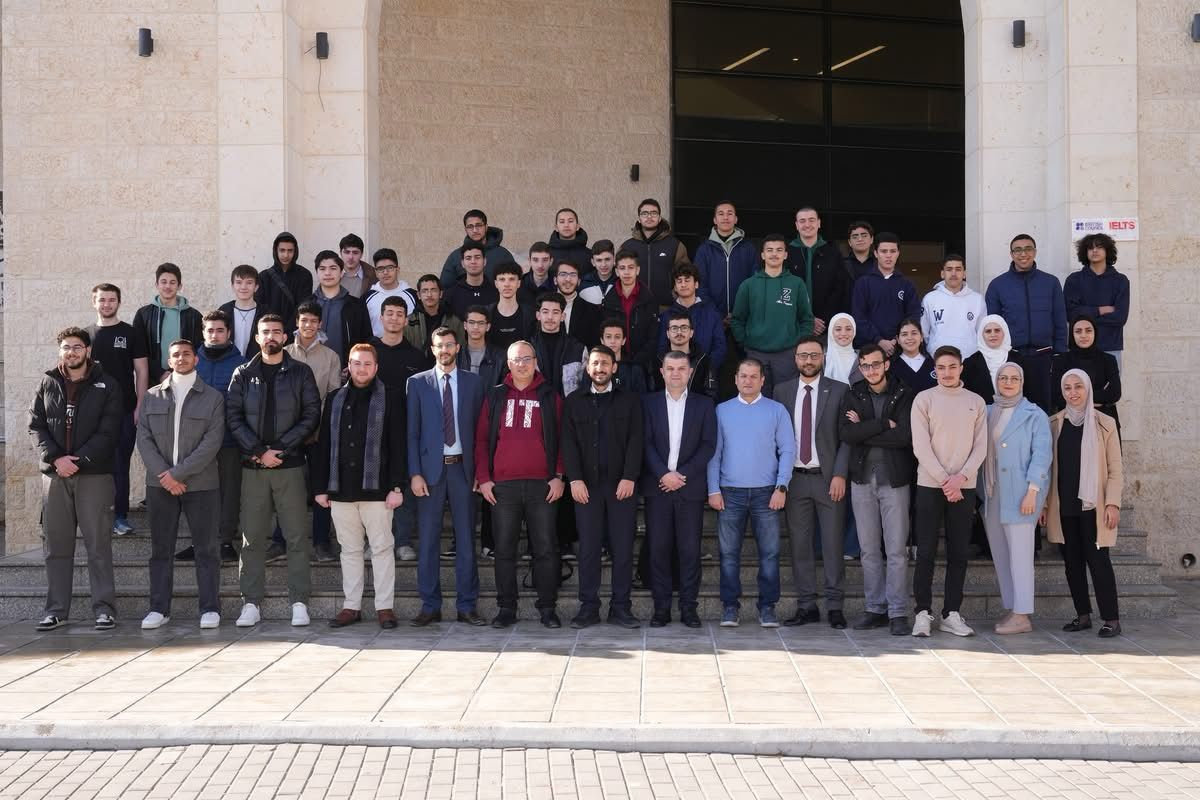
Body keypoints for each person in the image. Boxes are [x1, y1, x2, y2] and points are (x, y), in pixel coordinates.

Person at [226, 315, 321, 629]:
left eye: (276, 332)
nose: (271, 337)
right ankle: (250, 603)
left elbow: (311, 414)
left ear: (285, 337)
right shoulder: (243, 373)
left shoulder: (300, 372)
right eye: (265, 332)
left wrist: (280, 448)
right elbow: (233, 416)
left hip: (289, 466)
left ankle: (299, 602)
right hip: (253, 467)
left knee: (296, 537)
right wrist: (258, 451)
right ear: (257, 337)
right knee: (252, 538)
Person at [29, 327, 123, 632]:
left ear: (88, 351)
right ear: (60, 351)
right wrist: (57, 459)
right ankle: (56, 610)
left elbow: (109, 431)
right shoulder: (48, 382)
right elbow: (36, 426)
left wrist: (78, 461)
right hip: (55, 476)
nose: (72, 352)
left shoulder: (107, 384)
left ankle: (104, 610)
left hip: (94, 475)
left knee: (98, 546)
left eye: (77, 347)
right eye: (66, 347)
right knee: (56, 546)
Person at [313, 343, 406, 630]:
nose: (361, 368)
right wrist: (320, 487)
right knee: (349, 550)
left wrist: (397, 487)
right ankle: (351, 606)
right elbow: (324, 444)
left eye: (367, 364)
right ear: (349, 366)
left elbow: (398, 444)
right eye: (356, 363)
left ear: (376, 367)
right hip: (341, 487)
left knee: (382, 549)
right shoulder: (334, 398)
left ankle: (384, 607)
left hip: (378, 489)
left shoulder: (391, 397)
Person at [475, 341, 566, 628]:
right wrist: (484, 479)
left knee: (546, 549)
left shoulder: (550, 396)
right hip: (503, 487)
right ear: (508, 364)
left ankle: (548, 608)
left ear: (535, 362)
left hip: (543, 485)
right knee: (504, 550)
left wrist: (559, 476)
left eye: (527, 359)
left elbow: (563, 438)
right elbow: (481, 440)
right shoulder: (495, 395)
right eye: (516, 359)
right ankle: (506, 608)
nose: (522, 364)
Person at [136, 340, 225, 630]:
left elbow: (212, 442)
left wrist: (179, 474)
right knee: (160, 550)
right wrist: (166, 475)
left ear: (196, 359)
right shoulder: (152, 396)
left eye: (187, 354)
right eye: (176, 354)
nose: (182, 358)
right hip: (160, 485)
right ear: (169, 360)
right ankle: (158, 609)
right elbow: (144, 439)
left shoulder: (213, 397)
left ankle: (210, 608)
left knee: (206, 549)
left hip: (201, 485)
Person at [708, 359, 795, 628]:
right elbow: (714, 454)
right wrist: (713, 489)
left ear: (762, 380)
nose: (748, 381)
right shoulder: (721, 411)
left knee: (769, 553)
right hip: (730, 492)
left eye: (753, 376)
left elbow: (788, 450)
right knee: (728, 554)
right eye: (743, 376)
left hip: (766, 492)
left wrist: (781, 486)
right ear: (735, 379)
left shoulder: (776, 410)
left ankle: (767, 607)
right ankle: (730, 607)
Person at [407, 328, 485, 627]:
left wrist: (480, 472)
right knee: (428, 541)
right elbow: (411, 433)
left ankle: (467, 605)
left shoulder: (474, 382)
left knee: (466, 540)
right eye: (439, 345)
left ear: (457, 347)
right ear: (432, 348)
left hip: (463, 470)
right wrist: (415, 473)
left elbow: (481, 433)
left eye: (449, 345)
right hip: (430, 472)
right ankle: (430, 605)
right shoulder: (417, 383)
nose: (444, 350)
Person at [562, 346, 644, 628]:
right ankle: (588, 608)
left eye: (605, 363)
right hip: (587, 488)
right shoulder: (574, 401)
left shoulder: (630, 401)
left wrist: (630, 476)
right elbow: (568, 444)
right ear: (588, 368)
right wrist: (574, 479)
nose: (599, 369)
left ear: (614, 367)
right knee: (588, 549)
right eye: (595, 364)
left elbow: (636, 440)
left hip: (622, 486)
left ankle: (621, 607)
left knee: (623, 548)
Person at [909, 346, 988, 638]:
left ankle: (951, 613)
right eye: (941, 367)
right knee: (926, 551)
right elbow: (920, 446)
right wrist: (946, 480)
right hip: (930, 485)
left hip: (963, 487)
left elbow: (981, 446)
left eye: (952, 366)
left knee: (958, 552)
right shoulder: (924, 399)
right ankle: (922, 612)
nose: (947, 372)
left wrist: (960, 478)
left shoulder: (976, 401)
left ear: (961, 368)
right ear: (935, 370)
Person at [840, 344, 915, 636]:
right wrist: (883, 424)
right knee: (869, 550)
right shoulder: (854, 393)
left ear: (886, 364)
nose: (870, 370)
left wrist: (866, 430)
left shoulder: (904, 393)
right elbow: (847, 433)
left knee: (896, 550)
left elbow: (904, 437)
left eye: (875, 364)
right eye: (865, 366)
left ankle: (897, 612)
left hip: (894, 480)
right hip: (861, 481)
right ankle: (875, 608)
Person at [776, 338, 850, 629]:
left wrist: (840, 474)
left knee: (832, 544)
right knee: (800, 545)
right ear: (795, 358)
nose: (808, 360)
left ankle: (835, 606)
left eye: (814, 355)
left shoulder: (839, 390)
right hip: (794, 480)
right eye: (803, 355)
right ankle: (806, 605)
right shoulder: (781, 391)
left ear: (823, 357)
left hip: (828, 479)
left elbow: (846, 437)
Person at [1044, 369, 1124, 638]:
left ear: (1088, 388)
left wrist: (1113, 504)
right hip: (1064, 505)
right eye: (1067, 387)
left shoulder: (1105, 423)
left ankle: (1111, 619)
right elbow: (1048, 468)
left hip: (1094, 506)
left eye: (1078, 386)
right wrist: (1045, 505)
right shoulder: (1054, 424)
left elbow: (1116, 469)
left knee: (1099, 562)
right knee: (1072, 563)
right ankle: (1083, 616)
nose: (1073, 392)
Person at [642, 351, 717, 627]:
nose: (676, 373)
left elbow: (708, 445)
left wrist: (681, 475)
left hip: (689, 487)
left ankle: (689, 607)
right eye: (670, 368)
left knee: (689, 550)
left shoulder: (704, 404)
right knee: (658, 549)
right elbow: (645, 442)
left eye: (681, 368)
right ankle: (661, 608)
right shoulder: (648, 403)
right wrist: (663, 474)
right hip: (658, 487)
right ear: (662, 372)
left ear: (690, 372)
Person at [982, 363, 1051, 635]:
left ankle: (1023, 615)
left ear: (1022, 382)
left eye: (1014, 378)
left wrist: (1033, 492)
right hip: (993, 493)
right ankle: (1013, 609)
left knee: (1021, 556)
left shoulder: (1035, 414)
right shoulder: (988, 412)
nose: (1008, 382)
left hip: (1022, 493)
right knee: (1001, 555)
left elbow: (1042, 455)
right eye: (1003, 378)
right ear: (996, 381)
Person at [281, 301, 344, 563]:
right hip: (286, 434)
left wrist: (318, 428)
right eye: (304, 320)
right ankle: (280, 541)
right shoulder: (284, 352)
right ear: (297, 322)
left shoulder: (331, 357)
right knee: (286, 488)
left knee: (321, 487)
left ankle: (321, 542)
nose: (308, 325)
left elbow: (332, 396)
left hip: (319, 433)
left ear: (320, 324)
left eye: (313, 321)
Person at [87, 283, 149, 538]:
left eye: (111, 300)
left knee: (120, 464)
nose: (107, 304)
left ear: (119, 302)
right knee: (93, 465)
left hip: (124, 411)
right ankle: (95, 516)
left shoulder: (131, 333)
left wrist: (140, 406)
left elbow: (142, 372)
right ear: (94, 302)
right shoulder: (85, 335)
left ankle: (120, 517)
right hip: (92, 414)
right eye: (102, 300)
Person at [369, 296, 427, 562]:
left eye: (399, 314)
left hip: (405, 430)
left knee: (403, 483)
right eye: (389, 313)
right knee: (373, 485)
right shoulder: (368, 351)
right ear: (381, 317)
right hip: (372, 429)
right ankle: (375, 541)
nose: (394, 318)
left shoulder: (417, 357)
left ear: (406, 320)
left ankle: (403, 540)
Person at [984, 234, 1068, 412]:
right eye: (1018, 250)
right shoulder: (997, 285)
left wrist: (1060, 354)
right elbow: (993, 325)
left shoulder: (1051, 283)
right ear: (1011, 254)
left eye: (1028, 249)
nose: (1023, 254)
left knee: (1044, 410)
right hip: (1011, 358)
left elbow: (1060, 320)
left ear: (1035, 252)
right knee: (1011, 410)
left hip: (1044, 358)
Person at [189, 310, 244, 564]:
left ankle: (225, 541)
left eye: (220, 330)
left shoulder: (242, 363)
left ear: (228, 333)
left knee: (229, 492)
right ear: (203, 332)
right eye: (209, 330)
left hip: (229, 440)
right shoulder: (191, 361)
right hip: (196, 442)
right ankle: (198, 541)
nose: (214, 334)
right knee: (197, 491)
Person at [730, 234, 815, 397]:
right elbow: (737, 319)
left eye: (779, 250)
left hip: (787, 354)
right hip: (756, 353)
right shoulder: (748, 285)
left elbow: (807, 319)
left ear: (785, 254)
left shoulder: (796, 284)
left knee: (786, 399)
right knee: (757, 399)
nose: (774, 254)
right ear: (763, 255)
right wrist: (746, 341)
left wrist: (797, 344)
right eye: (769, 250)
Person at [1064, 233, 1129, 366]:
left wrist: (1084, 315)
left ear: (1107, 250)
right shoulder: (1074, 280)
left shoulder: (1120, 281)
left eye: (1099, 247)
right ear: (1085, 252)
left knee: (1110, 381)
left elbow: (1120, 318)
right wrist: (1100, 310)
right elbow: (1070, 314)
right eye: (1090, 248)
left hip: (1110, 347)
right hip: (1079, 347)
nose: (1094, 250)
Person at [132, 262, 203, 381]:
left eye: (172, 282)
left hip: (186, 377)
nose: (168, 286)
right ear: (156, 285)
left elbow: (199, 348)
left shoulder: (194, 316)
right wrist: (160, 373)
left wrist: (179, 371)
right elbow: (139, 350)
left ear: (179, 286)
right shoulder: (143, 314)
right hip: (153, 379)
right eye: (163, 282)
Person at [851, 233, 920, 353]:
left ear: (898, 253)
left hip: (899, 348)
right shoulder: (863, 283)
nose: (889, 255)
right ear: (876, 253)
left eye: (893, 251)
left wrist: (896, 340)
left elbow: (913, 316)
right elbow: (859, 317)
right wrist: (879, 340)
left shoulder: (907, 284)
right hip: (869, 349)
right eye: (884, 251)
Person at [785, 206, 849, 334]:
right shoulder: (787, 253)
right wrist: (804, 318)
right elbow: (783, 288)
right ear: (796, 225)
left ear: (819, 223)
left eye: (811, 220)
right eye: (802, 221)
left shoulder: (832, 252)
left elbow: (839, 288)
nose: (807, 225)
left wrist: (823, 320)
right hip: (794, 324)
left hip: (825, 326)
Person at [655, 262, 726, 375]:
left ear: (696, 284)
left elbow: (720, 346)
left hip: (705, 374)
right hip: (674, 376)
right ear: (675, 287)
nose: (683, 284)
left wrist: (705, 368)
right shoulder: (666, 316)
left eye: (687, 280)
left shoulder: (712, 314)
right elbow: (661, 347)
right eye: (679, 281)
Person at [1051, 315, 1122, 428]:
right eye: (1078, 331)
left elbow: (1114, 394)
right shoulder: (1060, 361)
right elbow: (1057, 397)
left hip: (1102, 421)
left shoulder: (1108, 360)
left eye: (1088, 330)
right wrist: (1096, 398)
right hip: (1071, 421)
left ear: (1095, 333)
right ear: (1072, 334)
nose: (1083, 335)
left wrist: (1074, 398)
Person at [695, 201, 759, 322]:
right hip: (713, 317)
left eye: (730, 214)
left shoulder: (748, 248)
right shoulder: (704, 250)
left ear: (735, 219)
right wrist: (716, 314)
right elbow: (699, 285)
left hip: (742, 318)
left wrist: (740, 312)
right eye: (721, 214)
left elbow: (755, 283)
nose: (725, 217)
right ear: (715, 220)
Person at [311, 250, 373, 367]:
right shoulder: (307, 304)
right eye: (322, 269)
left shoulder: (356, 305)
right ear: (317, 273)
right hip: (310, 369)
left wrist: (353, 365)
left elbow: (366, 339)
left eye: (333, 268)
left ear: (341, 272)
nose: (327, 273)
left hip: (344, 370)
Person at [601, 249, 660, 374]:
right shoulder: (608, 301)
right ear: (617, 271)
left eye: (631, 267)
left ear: (637, 270)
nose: (627, 272)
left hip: (642, 365)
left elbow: (653, 336)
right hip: (615, 363)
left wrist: (637, 362)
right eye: (622, 268)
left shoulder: (649, 299)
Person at [620, 199, 687, 304]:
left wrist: (674, 296)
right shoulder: (627, 246)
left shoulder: (675, 245)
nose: (649, 216)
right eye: (645, 213)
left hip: (666, 307)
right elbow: (619, 276)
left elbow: (685, 274)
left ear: (659, 218)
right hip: (635, 307)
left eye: (654, 213)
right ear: (639, 219)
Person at [920, 254, 985, 358]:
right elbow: (923, 333)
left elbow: (982, 333)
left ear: (964, 274)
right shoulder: (930, 299)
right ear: (942, 274)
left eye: (958, 269)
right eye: (949, 269)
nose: (953, 273)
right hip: (938, 360)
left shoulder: (977, 299)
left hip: (970, 359)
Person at [529, 293, 587, 396]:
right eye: (545, 312)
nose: (550, 317)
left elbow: (585, 386)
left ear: (563, 316)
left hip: (570, 404)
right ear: (538, 315)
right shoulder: (528, 349)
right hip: (536, 403)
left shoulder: (578, 349)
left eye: (555, 312)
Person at [439, 209, 516, 287]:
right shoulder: (456, 256)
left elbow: (514, 284)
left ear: (486, 227)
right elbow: (445, 287)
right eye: (470, 227)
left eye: (478, 225)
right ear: (465, 230)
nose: (475, 230)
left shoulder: (503, 255)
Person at [255, 231, 312, 335]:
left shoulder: (304, 275)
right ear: (275, 251)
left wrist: (288, 331)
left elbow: (303, 307)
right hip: (270, 333)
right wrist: (275, 329)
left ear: (295, 252)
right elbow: (260, 307)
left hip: (295, 333)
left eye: (290, 251)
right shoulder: (264, 277)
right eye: (282, 250)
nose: (286, 255)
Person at [962, 315, 1021, 404]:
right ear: (981, 335)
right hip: (981, 411)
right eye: (988, 331)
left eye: (997, 330)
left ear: (1004, 332)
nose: (993, 334)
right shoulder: (970, 363)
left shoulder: (1019, 359)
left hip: (1015, 410)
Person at [406, 274, 464, 359]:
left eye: (433, 290)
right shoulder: (409, 322)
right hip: (417, 366)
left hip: (447, 365)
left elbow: (461, 350)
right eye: (425, 291)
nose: (429, 295)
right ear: (418, 295)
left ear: (441, 294)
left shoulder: (454, 321)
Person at [654, 311, 712, 395]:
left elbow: (710, 393)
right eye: (674, 328)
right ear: (667, 334)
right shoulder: (657, 360)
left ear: (691, 333)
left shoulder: (703, 360)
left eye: (684, 328)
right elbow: (651, 394)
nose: (679, 332)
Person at [363, 247, 417, 336]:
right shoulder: (367, 298)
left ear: (397, 269)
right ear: (376, 272)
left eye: (390, 267)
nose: (385, 272)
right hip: (375, 344)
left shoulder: (413, 296)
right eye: (380, 268)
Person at [219, 265, 267, 361]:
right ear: (232, 286)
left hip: (257, 364)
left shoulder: (265, 313)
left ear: (256, 287)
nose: (243, 287)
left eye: (249, 283)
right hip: (228, 363)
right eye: (239, 282)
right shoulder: (223, 311)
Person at [444, 241, 499, 320]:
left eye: (477, 257)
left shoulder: (496, 292)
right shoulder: (450, 295)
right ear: (462, 263)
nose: (473, 262)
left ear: (484, 261)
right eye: (468, 258)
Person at [487, 262, 536, 351]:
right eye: (502, 279)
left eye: (512, 279)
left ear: (519, 283)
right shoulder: (486, 314)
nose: (507, 284)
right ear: (496, 283)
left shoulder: (530, 315)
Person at [554, 260, 601, 348]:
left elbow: (594, 346)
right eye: (563, 274)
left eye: (573, 275)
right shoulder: (543, 307)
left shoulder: (592, 311)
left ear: (579, 281)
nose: (568, 279)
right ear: (555, 280)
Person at [457, 305, 506, 390]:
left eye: (481, 323)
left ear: (488, 327)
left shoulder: (501, 357)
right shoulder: (456, 355)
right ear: (465, 325)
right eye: (471, 322)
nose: (476, 327)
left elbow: (503, 390)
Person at [600, 317, 649, 394]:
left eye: (617, 337)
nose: (613, 341)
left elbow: (641, 398)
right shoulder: (593, 369)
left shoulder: (634, 370)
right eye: (608, 337)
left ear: (623, 340)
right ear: (602, 340)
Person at [890, 318, 936, 392]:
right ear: (898, 339)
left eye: (914, 333)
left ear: (921, 337)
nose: (909, 338)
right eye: (904, 334)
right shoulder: (891, 366)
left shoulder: (933, 363)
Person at [548, 208, 592, 274]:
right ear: (556, 227)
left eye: (570, 221)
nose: (566, 225)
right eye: (562, 222)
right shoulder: (546, 254)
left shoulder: (590, 255)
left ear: (577, 226)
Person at [823, 313, 859, 385]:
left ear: (854, 331)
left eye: (848, 329)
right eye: (838, 329)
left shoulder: (863, 358)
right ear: (831, 332)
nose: (843, 333)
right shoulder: (822, 360)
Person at [338, 233, 377, 298]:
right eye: (347, 252)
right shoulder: (332, 273)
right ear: (340, 253)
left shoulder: (373, 274)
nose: (350, 257)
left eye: (355, 253)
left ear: (361, 254)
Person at [579, 240, 618, 304]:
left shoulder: (621, 281)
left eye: (607, 259)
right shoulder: (584, 283)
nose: (603, 265)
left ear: (614, 259)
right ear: (593, 262)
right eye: (599, 260)